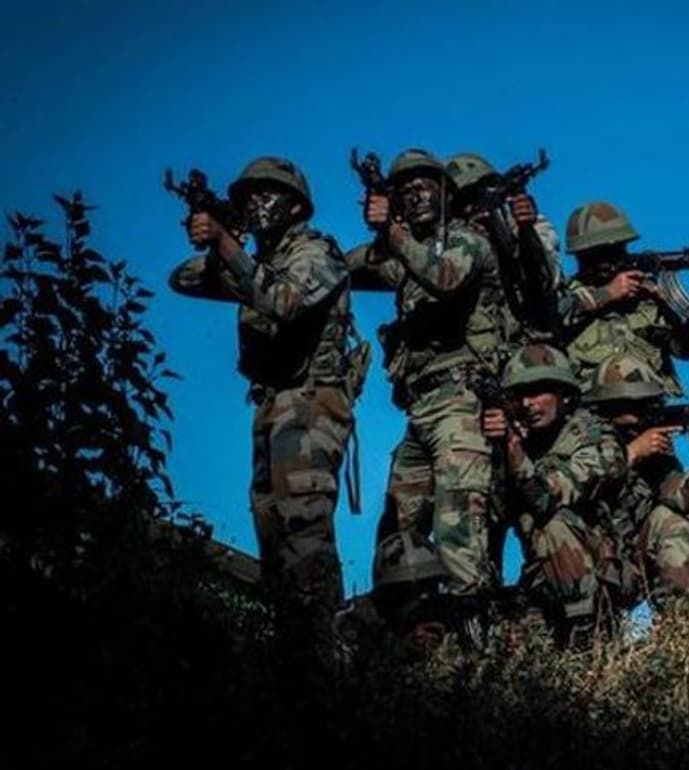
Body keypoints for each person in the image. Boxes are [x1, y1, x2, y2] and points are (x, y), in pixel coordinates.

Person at [169, 156, 360, 642]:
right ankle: (291, 646)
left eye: (268, 194)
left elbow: (286, 302)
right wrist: (223, 246)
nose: (256, 204)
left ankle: (326, 645)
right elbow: (184, 278)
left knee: (304, 528)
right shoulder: (260, 263)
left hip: (311, 401)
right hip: (273, 404)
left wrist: (226, 242)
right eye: (248, 198)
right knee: (270, 527)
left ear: (297, 207)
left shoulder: (316, 251)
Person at [347, 148, 508, 635]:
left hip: (461, 400)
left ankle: (475, 651)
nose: (415, 195)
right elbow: (346, 268)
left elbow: (445, 279)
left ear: (446, 193)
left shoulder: (468, 240)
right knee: (397, 530)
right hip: (421, 407)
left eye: (424, 186)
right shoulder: (408, 250)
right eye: (405, 190)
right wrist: (382, 231)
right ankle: (403, 642)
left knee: (459, 529)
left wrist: (391, 231)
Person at [582, 352, 689, 610]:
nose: (641, 414)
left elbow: (680, 499)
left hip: (629, 561)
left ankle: (682, 619)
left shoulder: (653, 449)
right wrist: (632, 453)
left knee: (672, 520)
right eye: (632, 406)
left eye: (648, 404)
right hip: (587, 562)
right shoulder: (583, 440)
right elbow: (572, 490)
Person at [481, 344, 628, 646]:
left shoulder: (597, 438)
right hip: (541, 578)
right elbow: (495, 513)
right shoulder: (522, 439)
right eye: (519, 395)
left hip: (604, 572)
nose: (527, 403)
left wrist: (514, 451)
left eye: (537, 392)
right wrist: (497, 453)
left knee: (555, 524)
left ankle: (589, 640)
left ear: (565, 395)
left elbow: (545, 499)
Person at [560, 201, 689, 396]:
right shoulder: (566, 297)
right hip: (589, 408)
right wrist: (607, 293)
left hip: (647, 406)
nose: (617, 257)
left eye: (619, 248)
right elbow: (544, 325)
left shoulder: (644, 298)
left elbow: (684, 347)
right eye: (604, 252)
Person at [445, 152, 564, 343]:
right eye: (464, 200)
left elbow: (547, 279)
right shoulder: (447, 240)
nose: (474, 207)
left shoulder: (522, 223)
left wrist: (526, 230)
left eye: (481, 194)